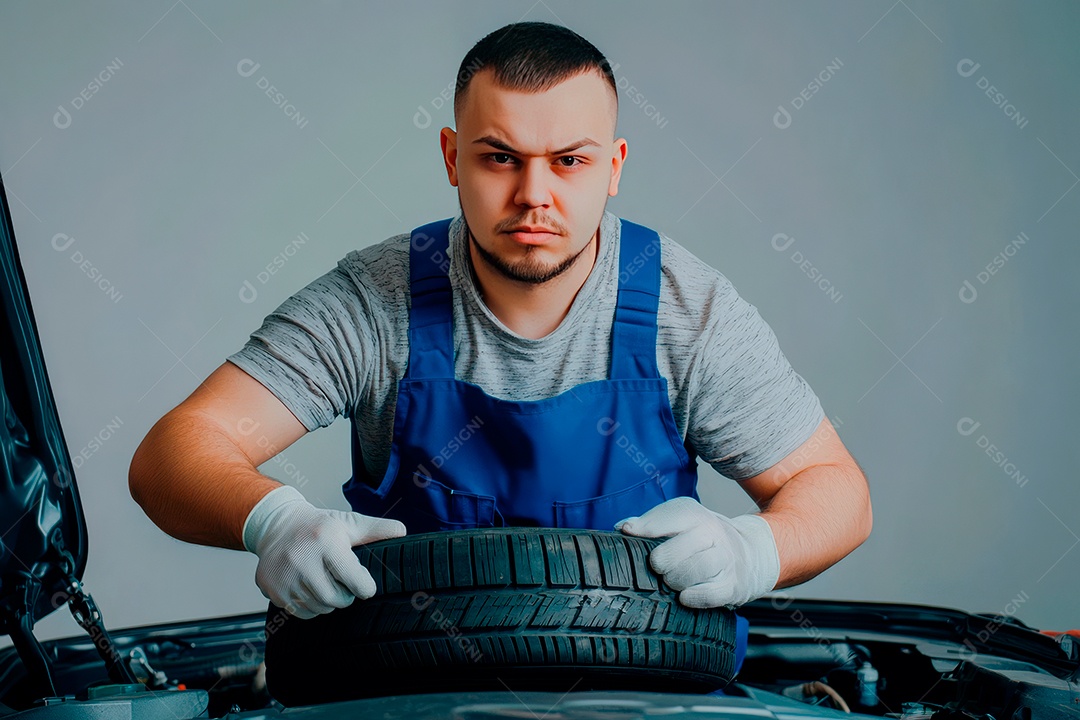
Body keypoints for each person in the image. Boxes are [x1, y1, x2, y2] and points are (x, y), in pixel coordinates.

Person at [129, 20, 871, 679]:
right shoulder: (375, 303)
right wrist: (272, 521)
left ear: (614, 166)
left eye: (569, 161)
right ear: (453, 158)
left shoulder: (688, 311)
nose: (533, 195)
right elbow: (173, 453)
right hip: (409, 698)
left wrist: (756, 550)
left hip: (647, 697)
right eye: (500, 158)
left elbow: (835, 489)